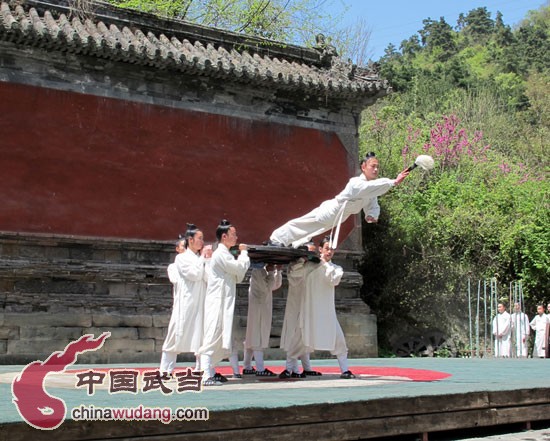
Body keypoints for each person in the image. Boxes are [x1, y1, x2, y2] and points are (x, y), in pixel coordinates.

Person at [269, 152, 410, 248]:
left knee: (312, 231)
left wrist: (371, 216)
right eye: (373, 166)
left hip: (339, 218)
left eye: (377, 167)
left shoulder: (371, 191)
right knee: (303, 224)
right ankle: (276, 239)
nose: (376, 169)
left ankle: (293, 244)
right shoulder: (356, 183)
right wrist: (393, 182)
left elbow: (372, 203)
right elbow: (369, 188)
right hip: (332, 210)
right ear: (363, 167)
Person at [198, 220, 250, 386]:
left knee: (220, 336)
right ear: (224, 236)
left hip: (223, 300)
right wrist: (244, 254)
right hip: (217, 301)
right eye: (233, 234)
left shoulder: (225, 254)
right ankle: (206, 375)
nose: (236, 237)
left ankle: (209, 371)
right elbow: (239, 269)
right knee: (213, 336)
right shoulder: (220, 254)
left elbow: (237, 275)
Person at [160, 225, 211, 379]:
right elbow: (194, 274)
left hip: (201, 302)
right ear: (190, 240)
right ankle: (165, 370)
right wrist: (203, 259)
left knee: (201, 335)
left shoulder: (199, 258)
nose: (202, 241)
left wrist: (206, 260)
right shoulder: (181, 258)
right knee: (176, 333)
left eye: (202, 238)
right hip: (186, 302)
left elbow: (208, 278)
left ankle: (203, 370)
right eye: (199, 238)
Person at [300, 237, 355, 378]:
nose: (329, 251)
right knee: (303, 339)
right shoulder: (309, 266)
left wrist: (324, 264)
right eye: (327, 248)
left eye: (331, 249)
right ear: (320, 249)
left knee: (339, 340)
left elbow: (333, 280)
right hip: (311, 309)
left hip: (327, 311)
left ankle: (345, 370)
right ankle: (303, 369)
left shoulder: (336, 268)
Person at [279, 242, 323, 378]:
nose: (311, 255)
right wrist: (302, 261)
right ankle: (290, 368)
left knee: (306, 337)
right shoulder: (295, 266)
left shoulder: (315, 266)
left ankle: (306, 368)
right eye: (308, 252)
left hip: (309, 305)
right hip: (296, 305)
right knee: (295, 335)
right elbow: (295, 276)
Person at [242, 263, 282, 377]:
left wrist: (278, 272)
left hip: (264, 307)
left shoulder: (263, 271)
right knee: (256, 336)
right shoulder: (257, 272)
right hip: (258, 308)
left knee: (252, 336)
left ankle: (247, 366)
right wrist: (270, 272)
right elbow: (267, 288)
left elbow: (276, 285)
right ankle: (260, 368)